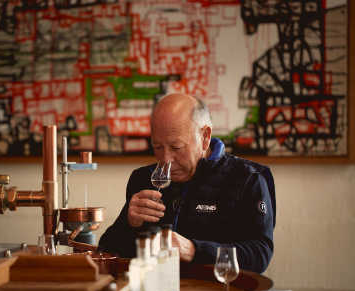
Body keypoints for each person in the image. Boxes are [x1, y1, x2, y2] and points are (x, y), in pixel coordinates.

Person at [99, 93, 276, 273]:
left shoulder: (247, 178)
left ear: (205, 137)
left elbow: (259, 254)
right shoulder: (143, 178)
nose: (165, 159)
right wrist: (128, 224)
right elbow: (106, 252)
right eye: (158, 147)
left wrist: (194, 250)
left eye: (176, 147)